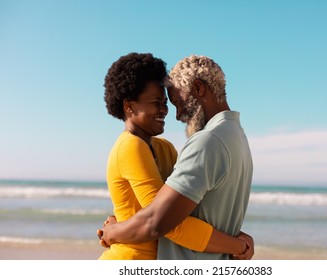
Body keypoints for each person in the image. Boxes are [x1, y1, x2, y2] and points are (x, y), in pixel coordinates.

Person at [98, 52, 253, 260]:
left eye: (173, 101)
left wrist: (115, 230)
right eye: (158, 102)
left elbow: (165, 218)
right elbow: (162, 221)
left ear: (198, 88)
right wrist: (238, 244)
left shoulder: (185, 145)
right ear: (129, 106)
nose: (173, 113)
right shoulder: (235, 136)